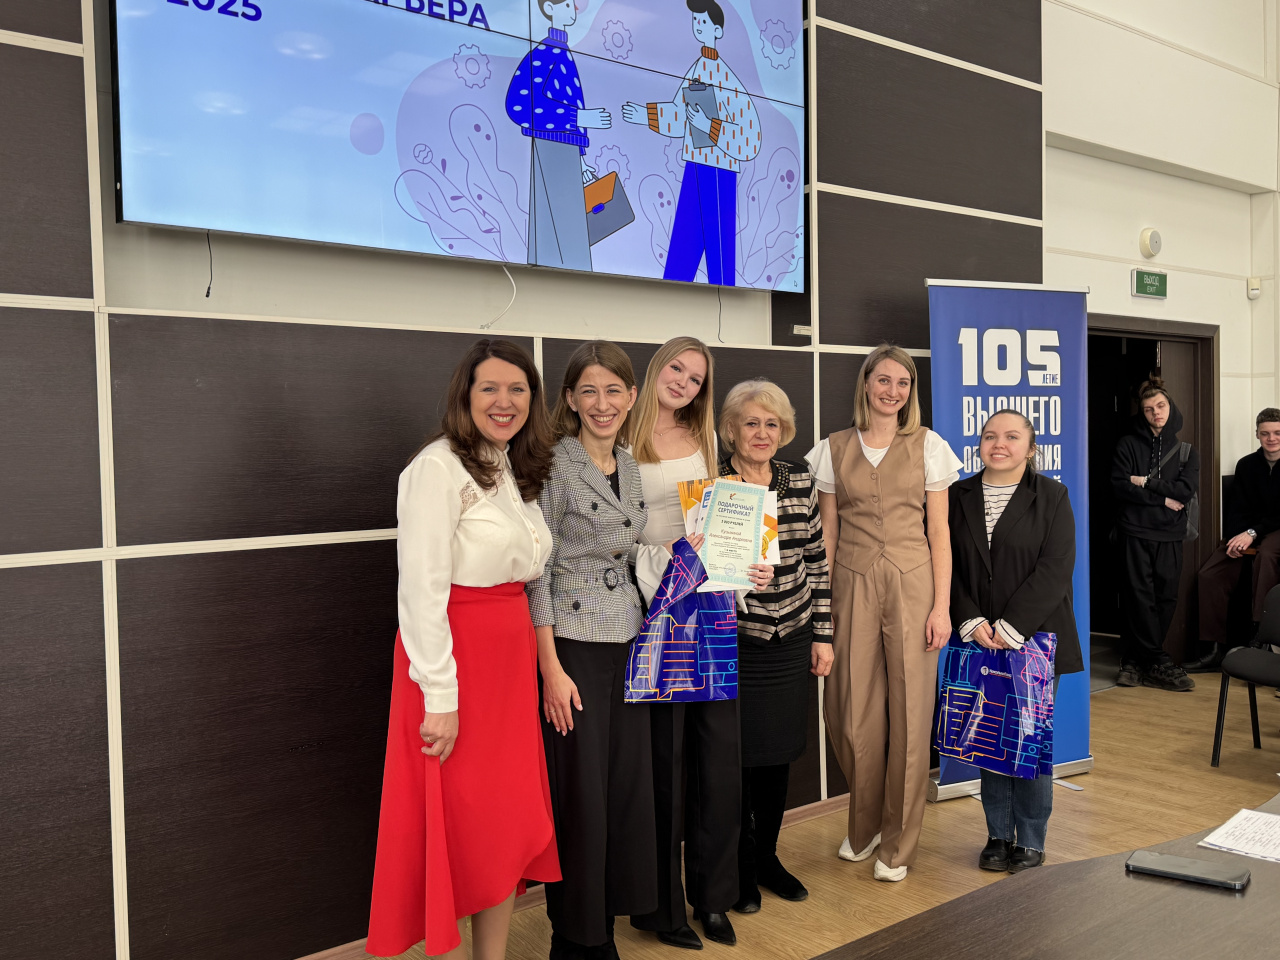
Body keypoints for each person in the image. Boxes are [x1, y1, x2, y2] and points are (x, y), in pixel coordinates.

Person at [367, 339, 560, 960]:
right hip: (453, 664)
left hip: (507, 665)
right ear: (465, 395)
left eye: (518, 389)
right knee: (456, 822)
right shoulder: (436, 468)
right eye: (490, 388)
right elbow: (421, 588)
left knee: (500, 823)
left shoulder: (509, 466)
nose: (505, 402)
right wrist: (440, 695)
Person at [627, 336, 771, 950]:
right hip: (655, 606)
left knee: (717, 762)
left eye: (695, 377)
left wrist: (749, 567)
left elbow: (723, 521)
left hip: (710, 606)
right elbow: (616, 534)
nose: (683, 382)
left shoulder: (705, 439)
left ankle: (713, 897)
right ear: (656, 369)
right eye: (676, 369)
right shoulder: (619, 439)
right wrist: (662, 558)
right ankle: (661, 909)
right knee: (664, 766)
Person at [807, 343, 961, 883]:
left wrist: (942, 607)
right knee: (849, 712)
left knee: (912, 716)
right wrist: (821, 608)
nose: (893, 391)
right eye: (884, 380)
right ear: (866, 383)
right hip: (850, 582)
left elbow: (939, 532)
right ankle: (866, 824)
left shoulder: (929, 446)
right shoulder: (832, 448)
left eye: (903, 382)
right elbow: (827, 534)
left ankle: (898, 844)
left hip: (913, 583)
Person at [527, 341, 656, 960]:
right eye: (589, 392)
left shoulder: (629, 463)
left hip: (626, 640)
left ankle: (602, 923)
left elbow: (631, 551)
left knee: (621, 790)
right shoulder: (553, 465)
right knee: (580, 795)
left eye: (613, 391)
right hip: (572, 646)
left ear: (632, 397)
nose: (602, 404)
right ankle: (576, 938)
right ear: (571, 400)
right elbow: (537, 571)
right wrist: (549, 667)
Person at [715, 379, 832, 915]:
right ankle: (740, 866)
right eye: (751, 423)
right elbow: (704, 567)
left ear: (783, 431)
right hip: (738, 639)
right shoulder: (716, 484)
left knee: (779, 756)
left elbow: (817, 561)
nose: (762, 433)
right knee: (739, 759)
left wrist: (823, 634)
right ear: (731, 429)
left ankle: (767, 857)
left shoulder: (799, 477)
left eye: (772, 424)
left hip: (793, 636)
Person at [949, 410, 1083, 872]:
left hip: (1035, 640)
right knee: (991, 738)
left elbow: (1055, 568)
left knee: (1029, 741)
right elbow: (945, 563)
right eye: (990, 436)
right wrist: (970, 620)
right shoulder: (957, 495)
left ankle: (1030, 838)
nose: (999, 444)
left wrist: (1011, 627)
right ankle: (997, 835)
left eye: (1011, 436)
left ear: (1031, 448)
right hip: (978, 638)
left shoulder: (1052, 495)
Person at [620, 0, 760, 285]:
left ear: (718, 30)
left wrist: (709, 125)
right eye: (696, 20)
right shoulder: (696, 69)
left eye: (704, 21)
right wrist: (645, 115)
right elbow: (678, 114)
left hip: (720, 171)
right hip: (695, 166)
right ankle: (666, 303)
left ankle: (726, 307)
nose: (698, 26)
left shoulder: (728, 80)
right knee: (682, 254)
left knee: (720, 258)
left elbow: (750, 137)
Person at [506, 0, 612, 272]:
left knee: (568, 233)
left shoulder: (562, 52)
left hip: (567, 153)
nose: (572, 9)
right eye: (565, 3)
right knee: (561, 234)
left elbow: (569, 100)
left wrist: (582, 160)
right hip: (551, 149)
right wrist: (579, 118)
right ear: (549, 9)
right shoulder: (545, 53)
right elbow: (519, 103)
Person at [1110, 378, 1198, 691]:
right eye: (1149, 409)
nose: (1156, 413)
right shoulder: (1127, 445)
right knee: (1138, 597)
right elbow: (1120, 486)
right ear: (1143, 413)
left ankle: (1137, 660)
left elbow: (1184, 491)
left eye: (1160, 406)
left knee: (1166, 597)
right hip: (1134, 531)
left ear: (1170, 407)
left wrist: (1146, 482)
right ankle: (1157, 661)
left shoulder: (1187, 451)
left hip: (1171, 535)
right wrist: (1162, 498)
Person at [1188, 408, 1280, 672]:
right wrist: (1237, 537)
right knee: (1210, 573)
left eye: (1277, 433)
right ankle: (1213, 649)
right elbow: (1237, 508)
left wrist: (1253, 533)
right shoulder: (1246, 464)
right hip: (1250, 531)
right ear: (1257, 434)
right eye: (1265, 433)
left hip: (1275, 530)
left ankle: (1261, 637)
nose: (1271, 438)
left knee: (1267, 555)